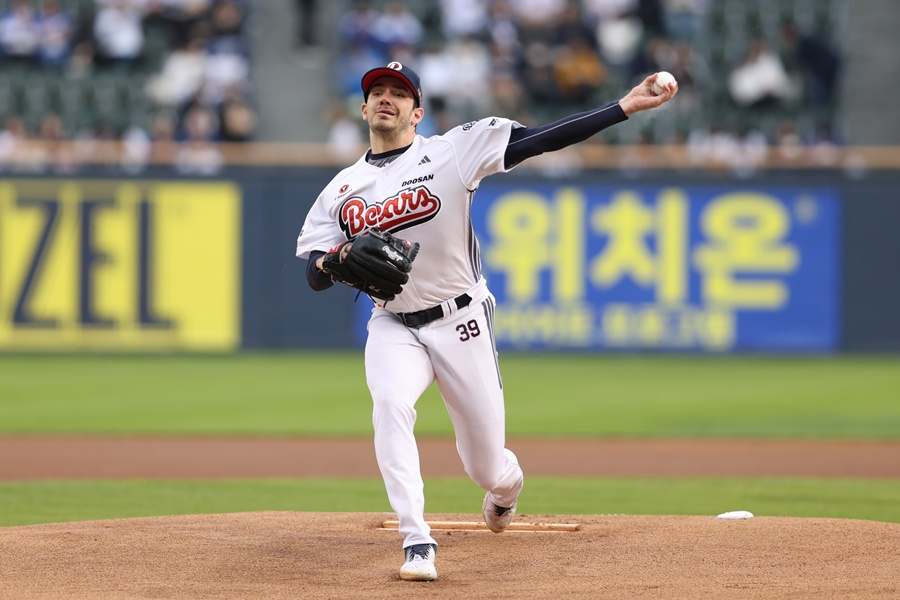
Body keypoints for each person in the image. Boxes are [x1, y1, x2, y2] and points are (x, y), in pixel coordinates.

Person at [295, 61, 677, 582]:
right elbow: (314, 272)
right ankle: (417, 541)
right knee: (389, 404)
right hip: (393, 322)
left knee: (485, 465)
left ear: (417, 111)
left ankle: (506, 488)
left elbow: (539, 140)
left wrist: (625, 107)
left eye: (399, 93)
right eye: (377, 92)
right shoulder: (341, 190)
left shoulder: (451, 151)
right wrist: (333, 262)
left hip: (460, 318)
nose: (387, 98)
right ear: (363, 109)